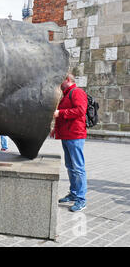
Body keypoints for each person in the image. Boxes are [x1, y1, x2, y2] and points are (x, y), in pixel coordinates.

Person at [50, 73, 88, 212]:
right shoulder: (66, 94)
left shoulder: (77, 92)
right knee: (70, 166)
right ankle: (74, 193)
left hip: (75, 135)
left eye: (61, 81)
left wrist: (60, 113)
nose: (59, 84)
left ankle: (81, 199)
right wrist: (55, 128)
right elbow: (62, 114)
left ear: (67, 80)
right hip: (67, 135)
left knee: (78, 168)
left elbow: (80, 111)